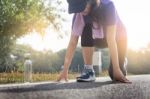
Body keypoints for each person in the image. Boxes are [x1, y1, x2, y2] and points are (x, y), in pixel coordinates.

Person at [57, 0, 131, 83]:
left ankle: (122, 61)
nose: (80, 11)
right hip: (97, 37)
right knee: (86, 28)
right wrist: (65, 70)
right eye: (77, 9)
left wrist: (117, 69)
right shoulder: (79, 14)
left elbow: (111, 39)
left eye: (81, 7)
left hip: (118, 38)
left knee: (114, 74)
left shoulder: (108, 6)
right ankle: (89, 71)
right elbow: (73, 42)